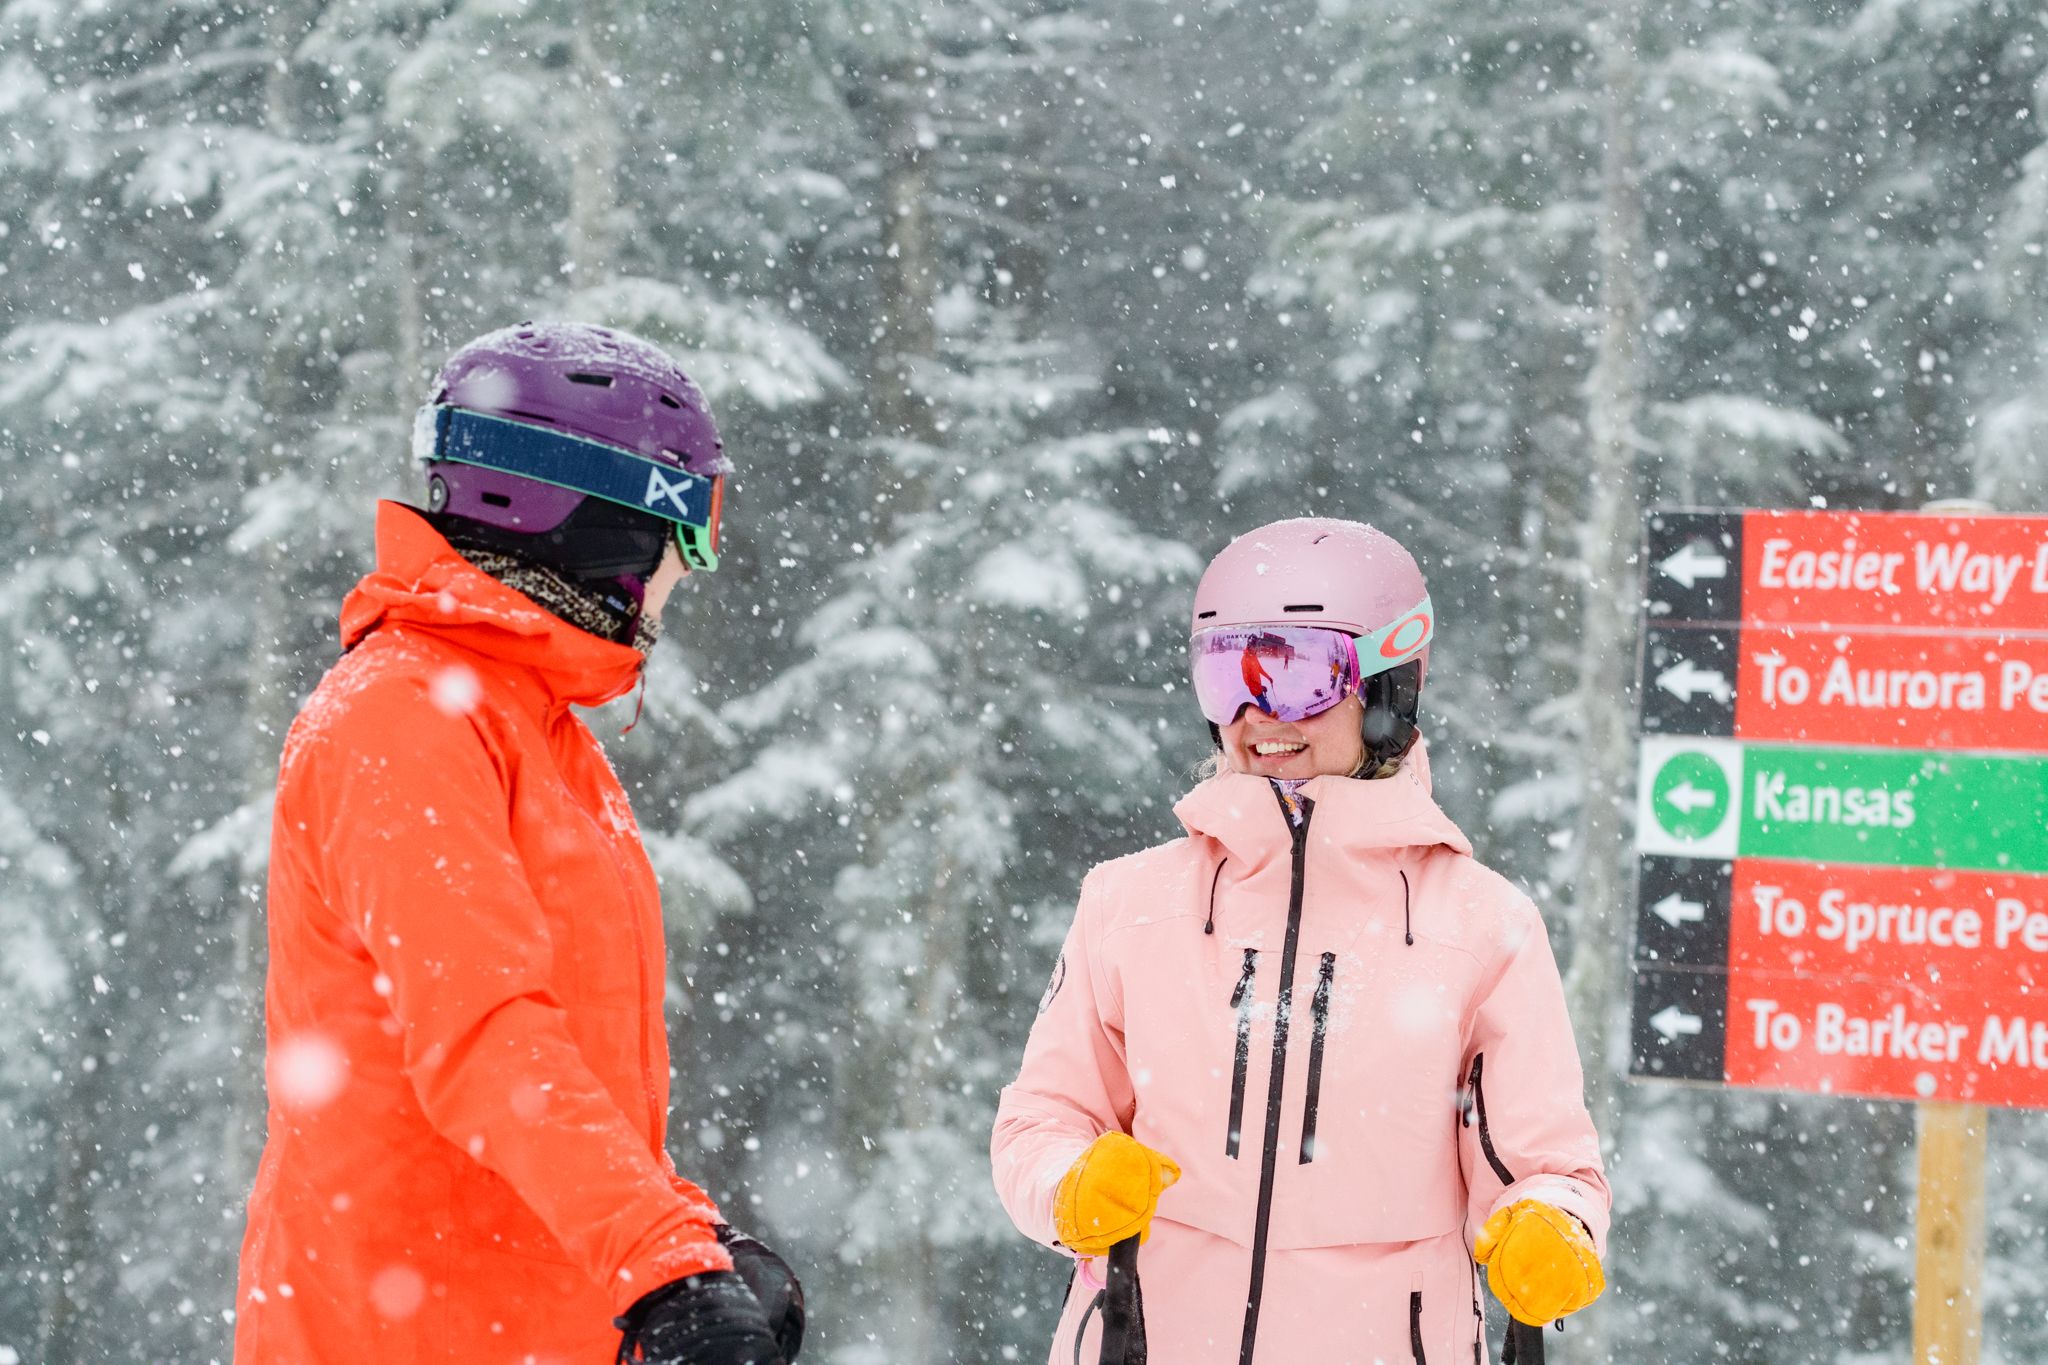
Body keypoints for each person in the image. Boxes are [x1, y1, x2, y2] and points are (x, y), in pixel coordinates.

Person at [234, 323, 804, 1365]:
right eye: (687, 531)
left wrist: (691, 1237)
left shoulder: (536, 729)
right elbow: (485, 1033)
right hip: (406, 1329)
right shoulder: (401, 717)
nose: (688, 570)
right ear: (601, 523)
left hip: (533, 1323)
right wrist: (659, 1260)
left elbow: (568, 1063)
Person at [991, 518, 1609, 1364]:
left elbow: (1549, 1168)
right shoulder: (1128, 904)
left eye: (1298, 677)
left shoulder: (1482, 928)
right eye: (1225, 677)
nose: (1256, 714)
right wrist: (1069, 1186)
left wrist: (1550, 1228)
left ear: (1388, 689)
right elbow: (1040, 1123)